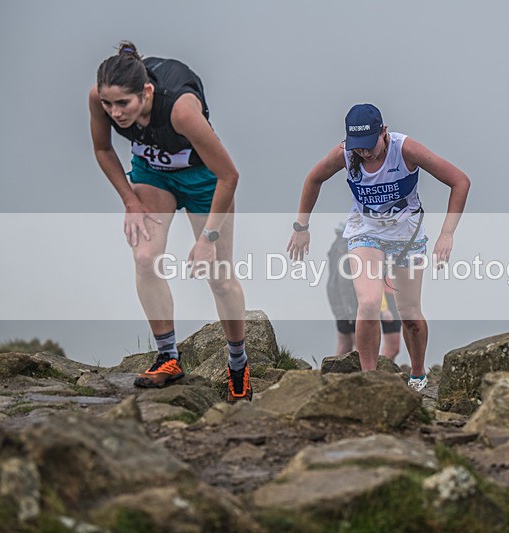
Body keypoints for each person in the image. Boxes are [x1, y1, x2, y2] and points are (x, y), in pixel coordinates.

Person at [89, 42, 251, 401]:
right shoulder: (100, 98)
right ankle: (168, 357)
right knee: (145, 258)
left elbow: (229, 176)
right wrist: (130, 201)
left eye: (123, 104)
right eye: (108, 104)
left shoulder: (181, 111)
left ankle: (237, 363)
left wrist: (208, 238)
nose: (114, 113)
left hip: (205, 180)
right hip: (154, 175)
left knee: (220, 278)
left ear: (146, 92)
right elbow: (103, 150)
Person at [288, 103, 470, 391]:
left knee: (409, 314)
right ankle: (370, 380)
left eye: (370, 145)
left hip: (406, 235)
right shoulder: (345, 154)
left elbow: (460, 181)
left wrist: (447, 234)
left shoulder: (405, 149)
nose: (365, 153)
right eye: (358, 147)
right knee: (370, 303)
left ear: (383, 131)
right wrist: (301, 227)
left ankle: (418, 375)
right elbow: (314, 178)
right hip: (365, 232)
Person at [326, 225, 402, 357]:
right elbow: (345, 281)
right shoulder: (350, 242)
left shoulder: (395, 231)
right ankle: (360, 375)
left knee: (390, 348)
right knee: (351, 347)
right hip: (355, 299)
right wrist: (350, 311)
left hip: (390, 291)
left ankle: (378, 374)